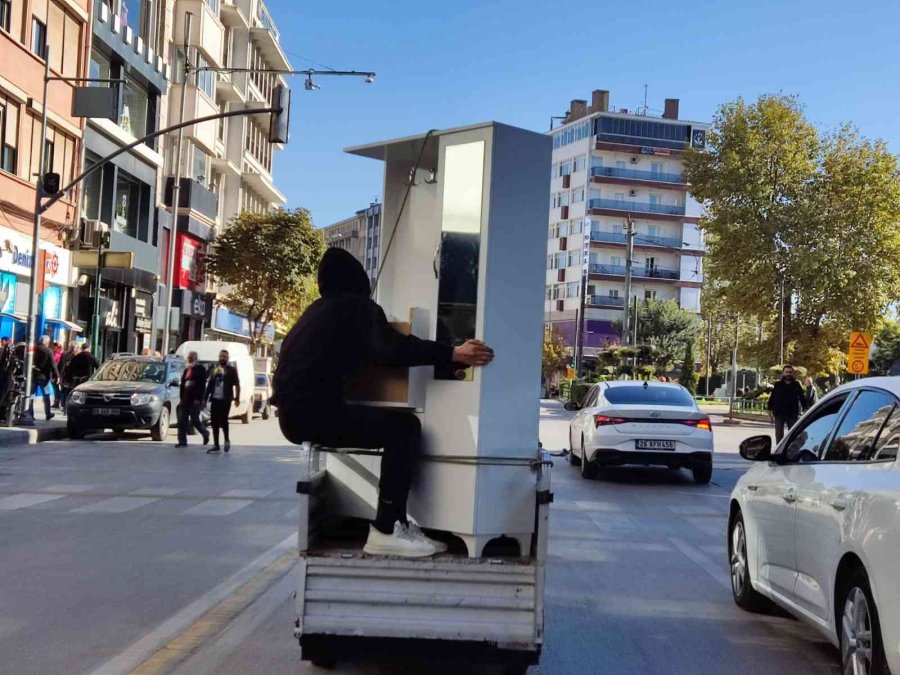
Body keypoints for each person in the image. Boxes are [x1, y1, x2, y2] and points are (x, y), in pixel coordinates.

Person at [273, 248, 495, 558]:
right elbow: (391, 350)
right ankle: (387, 529)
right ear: (358, 278)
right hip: (314, 412)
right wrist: (453, 353)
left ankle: (398, 523)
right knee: (404, 429)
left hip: (291, 415)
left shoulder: (316, 311)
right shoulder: (357, 307)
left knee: (391, 427)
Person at [204, 349, 240, 454]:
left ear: (228, 358)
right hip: (215, 399)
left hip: (226, 400)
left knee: (223, 420)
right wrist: (205, 398)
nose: (222, 358)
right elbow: (210, 385)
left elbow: (237, 385)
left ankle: (226, 440)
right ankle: (216, 445)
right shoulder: (215, 370)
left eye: (224, 357)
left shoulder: (232, 370)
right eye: (221, 356)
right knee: (214, 422)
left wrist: (237, 398)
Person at [767, 364, 808, 442]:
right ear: (783, 373)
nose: (788, 374)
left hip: (792, 414)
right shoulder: (778, 385)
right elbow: (772, 399)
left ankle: (791, 449)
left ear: (792, 373)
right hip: (779, 414)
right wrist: (769, 414)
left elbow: (802, 398)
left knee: (793, 435)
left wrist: (805, 410)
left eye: (790, 372)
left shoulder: (796, 384)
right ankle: (780, 449)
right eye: (786, 372)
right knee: (779, 435)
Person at [177, 350, 209, 448]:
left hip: (194, 400)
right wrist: (181, 397)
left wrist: (198, 398)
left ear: (196, 358)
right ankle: (182, 441)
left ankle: (205, 433)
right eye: (189, 358)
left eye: (191, 358)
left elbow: (202, 386)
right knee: (182, 421)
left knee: (195, 420)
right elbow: (183, 385)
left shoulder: (201, 370)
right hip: (185, 400)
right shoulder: (187, 370)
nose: (190, 360)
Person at [30, 335, 59, 420]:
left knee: (31, 396)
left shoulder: (33, 349)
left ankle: (30, 414)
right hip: (44, 378)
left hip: (33, 376)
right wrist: (57, 376)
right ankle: (48, 414)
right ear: (46, 342)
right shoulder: (48, 351)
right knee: (46, 396)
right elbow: (53, 364)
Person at [57, 342, 78, 412]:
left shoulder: (64, 354)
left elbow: (59, 365)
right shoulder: (76, 355)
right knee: (69, 392)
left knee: (64, 392)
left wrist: (59, 375)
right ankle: (66, 406)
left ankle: (64, 406)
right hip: (71, 377)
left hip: (65, 376)